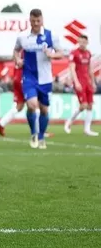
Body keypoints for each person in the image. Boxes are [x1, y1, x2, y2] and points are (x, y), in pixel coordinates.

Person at [13, 8, 65, 149]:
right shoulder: (23, 37)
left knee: (44, 110)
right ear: (29, 20)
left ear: (42, 20)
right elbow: (16, 51)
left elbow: (61, 52)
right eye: (33, 20)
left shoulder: (51, 35)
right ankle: (33, 133)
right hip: (29, 77)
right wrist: (17, 60)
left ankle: (41, 137)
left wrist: (52, 55)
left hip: (46, 79)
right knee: (32, 105)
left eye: (38, 20)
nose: (36, 23)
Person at [65, 34, 97, 136]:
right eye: (80, 42)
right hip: (79, 81)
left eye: (84, 42)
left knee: (90, 105)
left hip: (87, 82)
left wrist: (93, 82)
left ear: (87, 43)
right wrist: (76, 82)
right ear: (78, 42)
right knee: (83, 105)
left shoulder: (88, 53)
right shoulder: (74, 53)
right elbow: (72, 68)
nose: (82, 44)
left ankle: (87, 129)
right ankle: (69, 122)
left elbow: (90, 69)